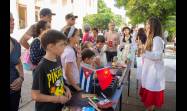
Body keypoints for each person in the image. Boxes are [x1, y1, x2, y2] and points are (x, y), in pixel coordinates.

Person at [31, 30, 71, 111]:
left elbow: (59, 81)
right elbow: (35, 95)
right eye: (62, 44)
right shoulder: (41, 67)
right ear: (50, 46)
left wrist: (67, 89)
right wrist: (58, 99)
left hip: (59, 106)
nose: (64, 47)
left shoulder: (57, 59)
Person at [139, 17, 165, 111]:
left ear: (152, 26)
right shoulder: (151, 38)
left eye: (147, 24)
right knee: (149, 98)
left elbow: (157, 55)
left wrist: (144, 51)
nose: (146, 26)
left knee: (151, 98)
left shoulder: (157, 39)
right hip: (150, 70)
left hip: (153, 73)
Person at [10, 12, 24, 111]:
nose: (13, 23)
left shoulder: (16, 43)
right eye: (10, 20)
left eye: (13, 20)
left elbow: (19, 63)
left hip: (14, 93)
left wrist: (21, 78)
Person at [61, 26, 81, 92]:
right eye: (78, 35)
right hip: (71, 84)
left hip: (71, 82)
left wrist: (79, 54)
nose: (79, 37)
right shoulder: (70, 51)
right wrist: (76, 87)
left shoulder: (69, 49)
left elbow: (76, 67)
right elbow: (67, 73)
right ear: (71, 38)